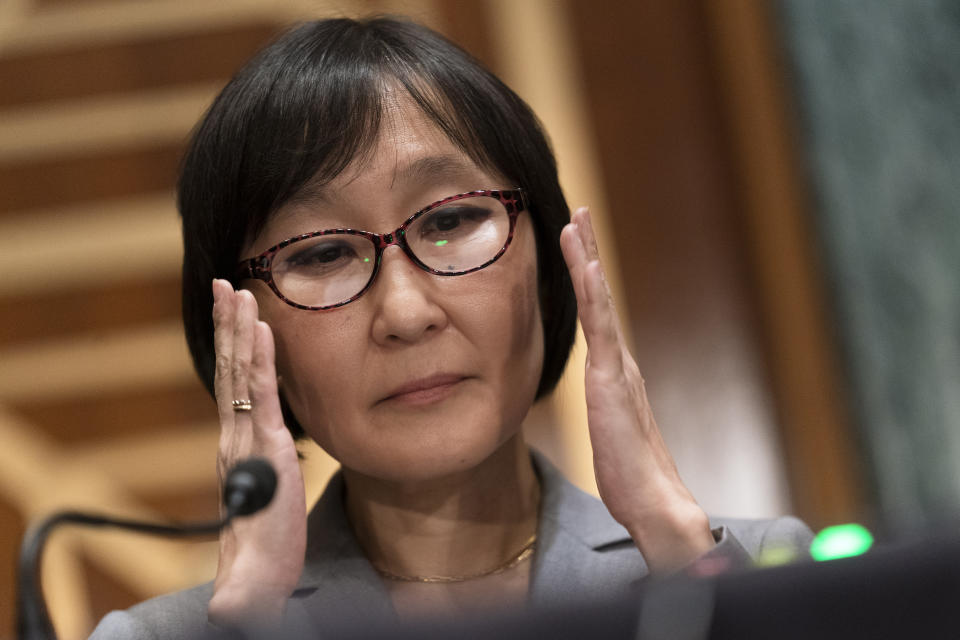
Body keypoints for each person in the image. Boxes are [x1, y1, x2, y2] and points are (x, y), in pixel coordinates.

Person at [90, 16, 811, 639]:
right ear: (242, 333)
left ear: (550, 257)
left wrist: (686, 562)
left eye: (451, 220)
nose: (406, 313)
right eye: (321, 253)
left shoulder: (753, 571)